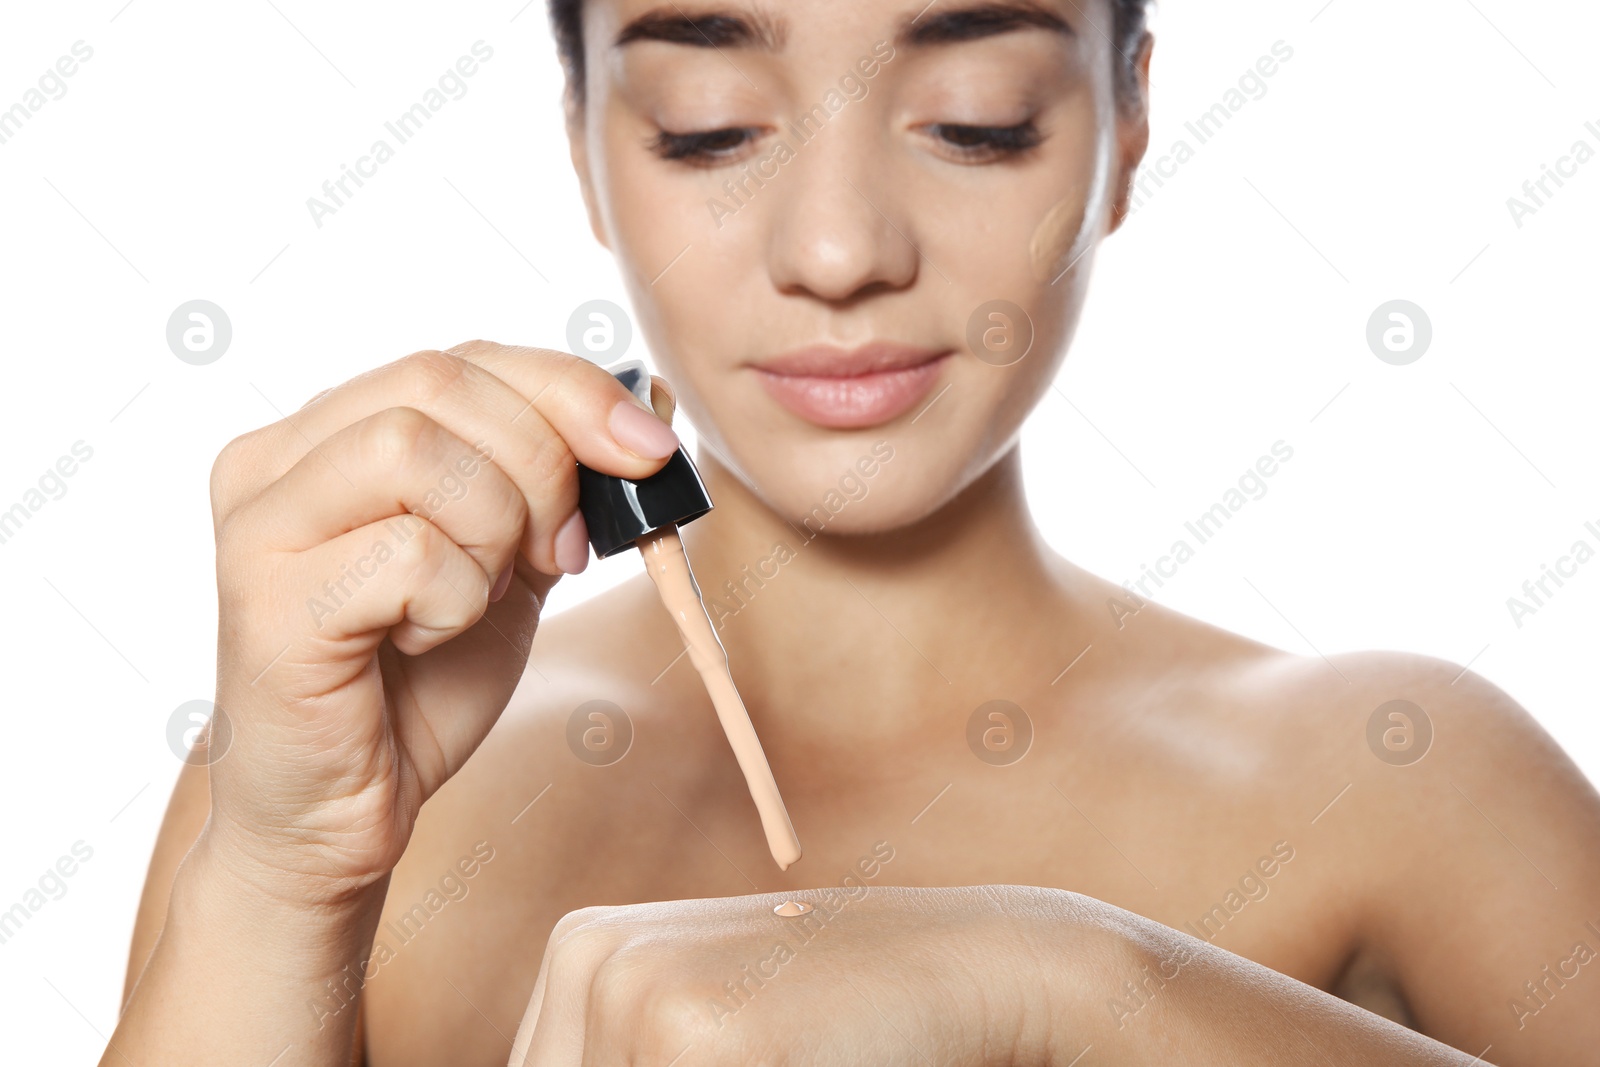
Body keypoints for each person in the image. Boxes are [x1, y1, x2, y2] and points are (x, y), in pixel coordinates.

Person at [106, 1, 1600, 1064]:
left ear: (1129, 118)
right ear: (581, 140)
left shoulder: (1406, 784)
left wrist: (1070, 995)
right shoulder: (362, 786)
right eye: (710, 131)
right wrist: (279, 875)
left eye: (975, 121)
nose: (837, 250)